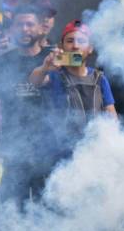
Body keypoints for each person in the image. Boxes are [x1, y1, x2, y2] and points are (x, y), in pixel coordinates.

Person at [0, 5, 55, 207]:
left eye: (30, 24)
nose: (25, 29)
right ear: (13, 29)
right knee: (12, 211)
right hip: (13, 150)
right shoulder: (4, 61)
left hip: (47, 150)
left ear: (40, 29)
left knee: (45, 213)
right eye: (20, 24)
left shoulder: (53, 59)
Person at [30, 20, 116, 149]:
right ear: (62, 46)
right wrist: (45, 67)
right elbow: (34, 81)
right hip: (60, 154)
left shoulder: (99, 78)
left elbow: (111, 117)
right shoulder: (54, 75)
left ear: (90, 48)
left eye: (81, 41)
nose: (75, 46)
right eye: (70, 41)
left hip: (94, 152)